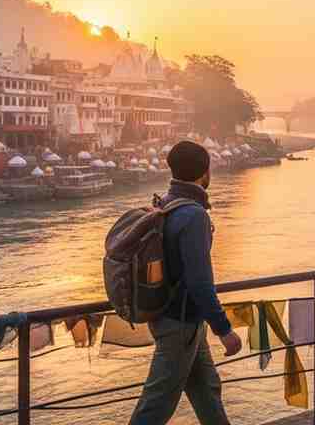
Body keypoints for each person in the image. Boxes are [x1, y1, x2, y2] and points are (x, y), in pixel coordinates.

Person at [129, 140, 242, 425]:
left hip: (173, 317)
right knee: (156, 404)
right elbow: (200, 281)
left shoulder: (164, 204)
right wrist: (224, 329)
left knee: (207, 390)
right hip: (180, 324)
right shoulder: (194, 215)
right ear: (205, 173)